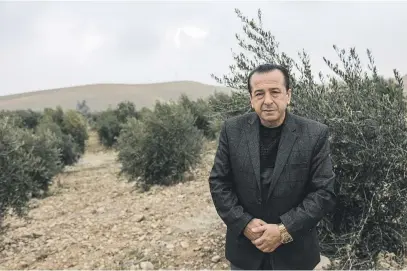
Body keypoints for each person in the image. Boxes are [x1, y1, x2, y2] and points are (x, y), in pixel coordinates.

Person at [208, 63, 336, 270]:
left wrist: (284, 231)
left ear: (288, 95)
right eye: (259, 93)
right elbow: (219, 182)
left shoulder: (314, 134)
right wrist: (245, 224)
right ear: (251, 99)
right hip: (245, 252)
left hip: (296, 255)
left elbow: (323, 192)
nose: (267, 100)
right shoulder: (232, 131)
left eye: (275, 92)